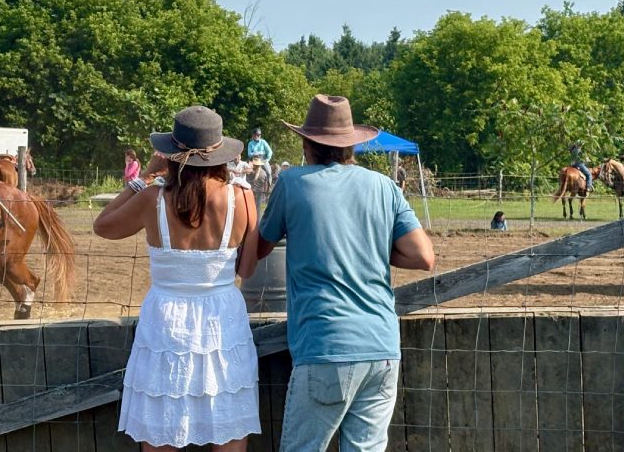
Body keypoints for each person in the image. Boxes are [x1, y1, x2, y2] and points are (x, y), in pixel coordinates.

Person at [258, 94, 435, 451]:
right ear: (351, 144)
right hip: (382, 346)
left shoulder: (292, 183)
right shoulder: (384, 186)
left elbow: (259, 247)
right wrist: (369, 248)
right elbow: (423, 256)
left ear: (307, 143)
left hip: (325, 345)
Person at [93, 105, 261, 451]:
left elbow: (102, 225)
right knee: (228, 421)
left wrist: (142, 178)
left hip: (166, 321)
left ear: (170, 154)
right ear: (219, 154)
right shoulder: (242, 197)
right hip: (222, 322)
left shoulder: (153, 197)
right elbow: (246, 270)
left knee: (162, 429)